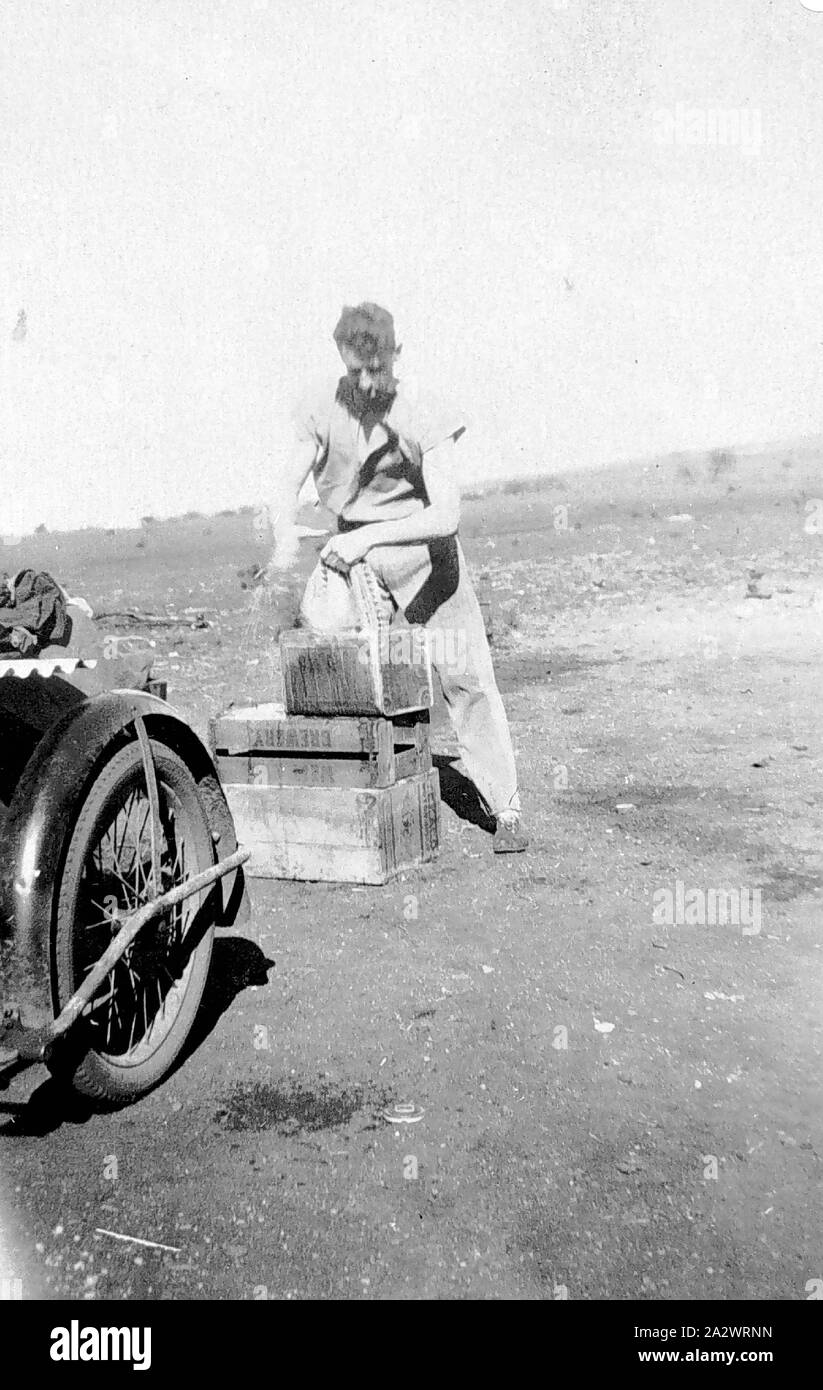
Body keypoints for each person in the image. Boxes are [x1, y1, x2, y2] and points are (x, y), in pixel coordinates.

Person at [268, 302, 528, 853]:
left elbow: (447, 515)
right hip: (353, 554)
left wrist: (367, 537)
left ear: (396, 354)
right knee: (333, 662)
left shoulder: (424, 409)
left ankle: (505, 806)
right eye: (353, 370)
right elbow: (285, 484)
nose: (365, 382)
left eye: (376, 369)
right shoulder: (322, 407)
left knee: (464, 677)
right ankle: (356, 799)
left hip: (423, 555)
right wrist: (285, 532)